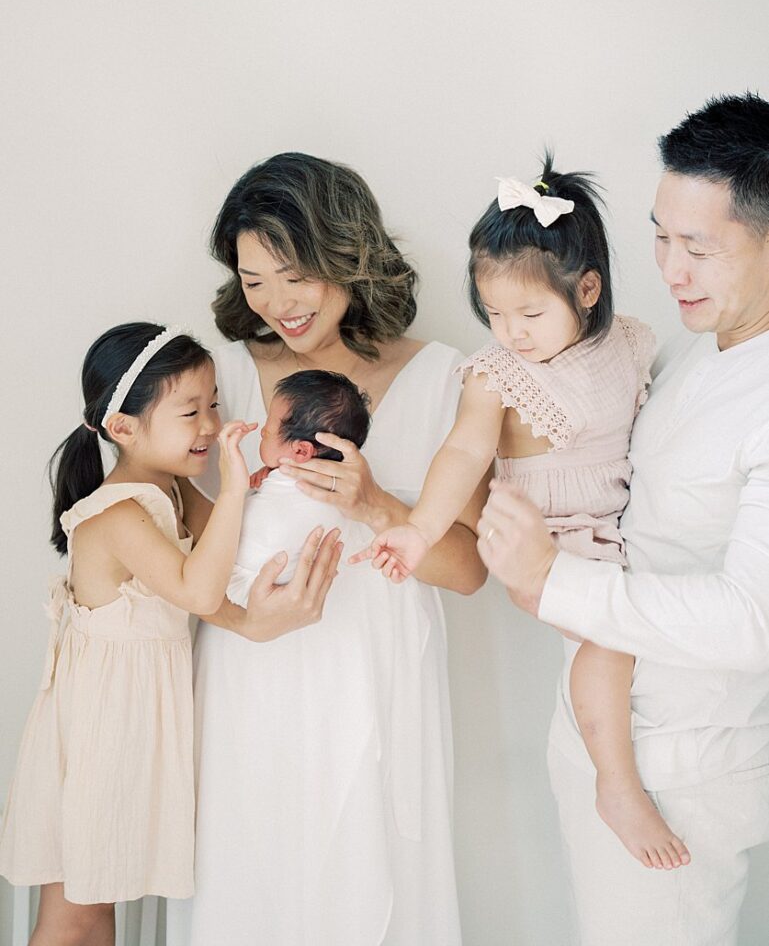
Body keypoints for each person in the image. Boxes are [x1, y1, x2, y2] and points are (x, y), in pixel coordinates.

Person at [168, 152, 487, 946]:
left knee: (369, 872)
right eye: (252, 282)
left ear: (346, 254)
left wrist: (378, 507)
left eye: (294, 273)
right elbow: (180, 545)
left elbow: (470, 571)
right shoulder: (229, 383)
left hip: (378, 675)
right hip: (251, 670)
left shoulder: (443, 378)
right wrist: (246, 622)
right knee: (253, 871)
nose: (277, 303)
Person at [477, 93, 769, 944]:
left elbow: (753, 620)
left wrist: (552, 578)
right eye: (659, 236)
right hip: (607, 733)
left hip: (681, 772)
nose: (669, 269)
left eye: (698, 248)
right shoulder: (692, 345)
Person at [359, 155, 686, 869]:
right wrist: (416, 531)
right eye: (495, 314)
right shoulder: (495, 375)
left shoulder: (625, 343)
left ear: (588, 291)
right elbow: (459, 455)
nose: (510, 331)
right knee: (605, 639)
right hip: (548, 540)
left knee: (651, 630)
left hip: (621, 525)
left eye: (528, 313)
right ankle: (616, 782)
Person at [0, 322, 258, 945]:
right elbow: (199, 591)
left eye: (214, 405)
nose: (209, 425)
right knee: (79, 912)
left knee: (100, 905)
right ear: (123, 428)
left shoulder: (170, 491)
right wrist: (239, 484)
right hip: (101, 729)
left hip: (131, 724)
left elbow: (218, 586)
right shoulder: (118, 513)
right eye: (190, 410)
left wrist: (268, 618)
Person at [228, 369, 371, 603]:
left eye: (268, 429)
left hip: (240, 580)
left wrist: (250, 486)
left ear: (301, 451)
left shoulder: (284, 482)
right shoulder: (344, 493)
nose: (262, 432)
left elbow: (235, 518)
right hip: (287, 589)